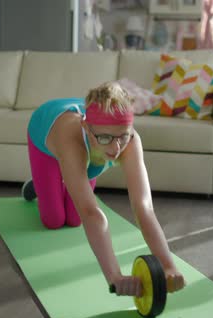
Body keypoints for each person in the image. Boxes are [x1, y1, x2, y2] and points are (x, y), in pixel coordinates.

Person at [24, 81, 185, 297]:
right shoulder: (72, 140)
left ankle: (68, 178)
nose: (116, 148)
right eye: (106, 137)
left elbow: (144, 207)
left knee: (74, 219)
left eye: (123, 136)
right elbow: (92, 213)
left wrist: (168, 266)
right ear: (86, 128)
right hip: (45, 133)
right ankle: (40, 184)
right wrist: (115, 277)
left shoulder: (129, 141)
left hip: (90, 154)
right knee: (53, 219)